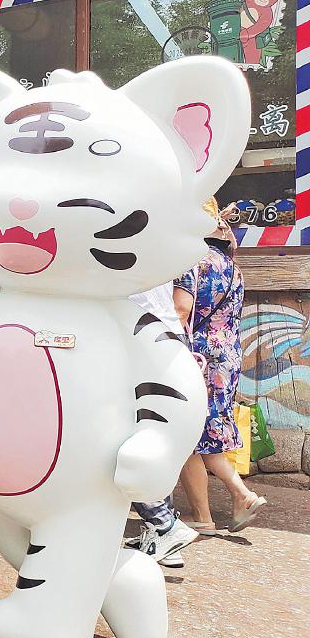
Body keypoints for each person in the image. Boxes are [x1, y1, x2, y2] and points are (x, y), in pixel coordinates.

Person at [173, 199, 266, 535]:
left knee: (187, 434)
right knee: (205, 432)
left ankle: (223, 505)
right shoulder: (231, 266)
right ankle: (228, 503)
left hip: (197, 357)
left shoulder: (189, 261)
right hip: (226, 356)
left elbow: (181, 309)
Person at [125, 281, 199, 568]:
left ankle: (164, 524)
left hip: (141, 335)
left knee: (122, 435)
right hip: (164, 335)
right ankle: (163, 537)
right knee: (151, 436)